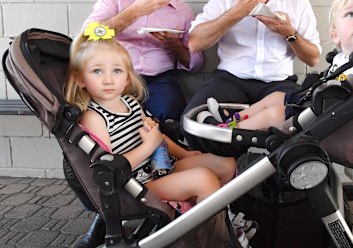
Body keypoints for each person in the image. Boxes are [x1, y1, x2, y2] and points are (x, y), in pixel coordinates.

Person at [184, 0, 322, 151]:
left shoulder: (298, 2)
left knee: (303, 125)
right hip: (230, 78)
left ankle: (271, 178)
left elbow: (314, 58)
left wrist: (289, 33)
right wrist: (238, 11)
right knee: (194, 122)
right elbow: (194, 43)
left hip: (278, 82)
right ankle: (229, 172)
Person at [65, 26, 236, 202]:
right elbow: (109, 169)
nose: (108, 79)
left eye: (117, 71)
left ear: (128, 78)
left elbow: (157, 136)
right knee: (203, 179)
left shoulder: (130, 103)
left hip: (159, 166)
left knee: (226, 165)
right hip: (135, 184)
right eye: (97, 71)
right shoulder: (94, 117)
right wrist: (149, 146)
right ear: (80, 79)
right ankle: (210, 228)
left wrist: (183, 154)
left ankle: (205, 211)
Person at [199, 0, 353, 130]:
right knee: (275, 98)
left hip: (327, 112)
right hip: (314, 101)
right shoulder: (343, 58)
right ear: (334, 35)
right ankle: (230, 119)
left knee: (275, 114)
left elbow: (348, 86)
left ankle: (229, 131)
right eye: (351, 14)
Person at [82, 0, 201, 124]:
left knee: (172, 112)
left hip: (159, 79)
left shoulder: (183, 11)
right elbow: (89, 35)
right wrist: (136, 10)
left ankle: (163, 152)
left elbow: (195, 65)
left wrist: (175, 45)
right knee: (109, 118)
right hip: (114, 73)